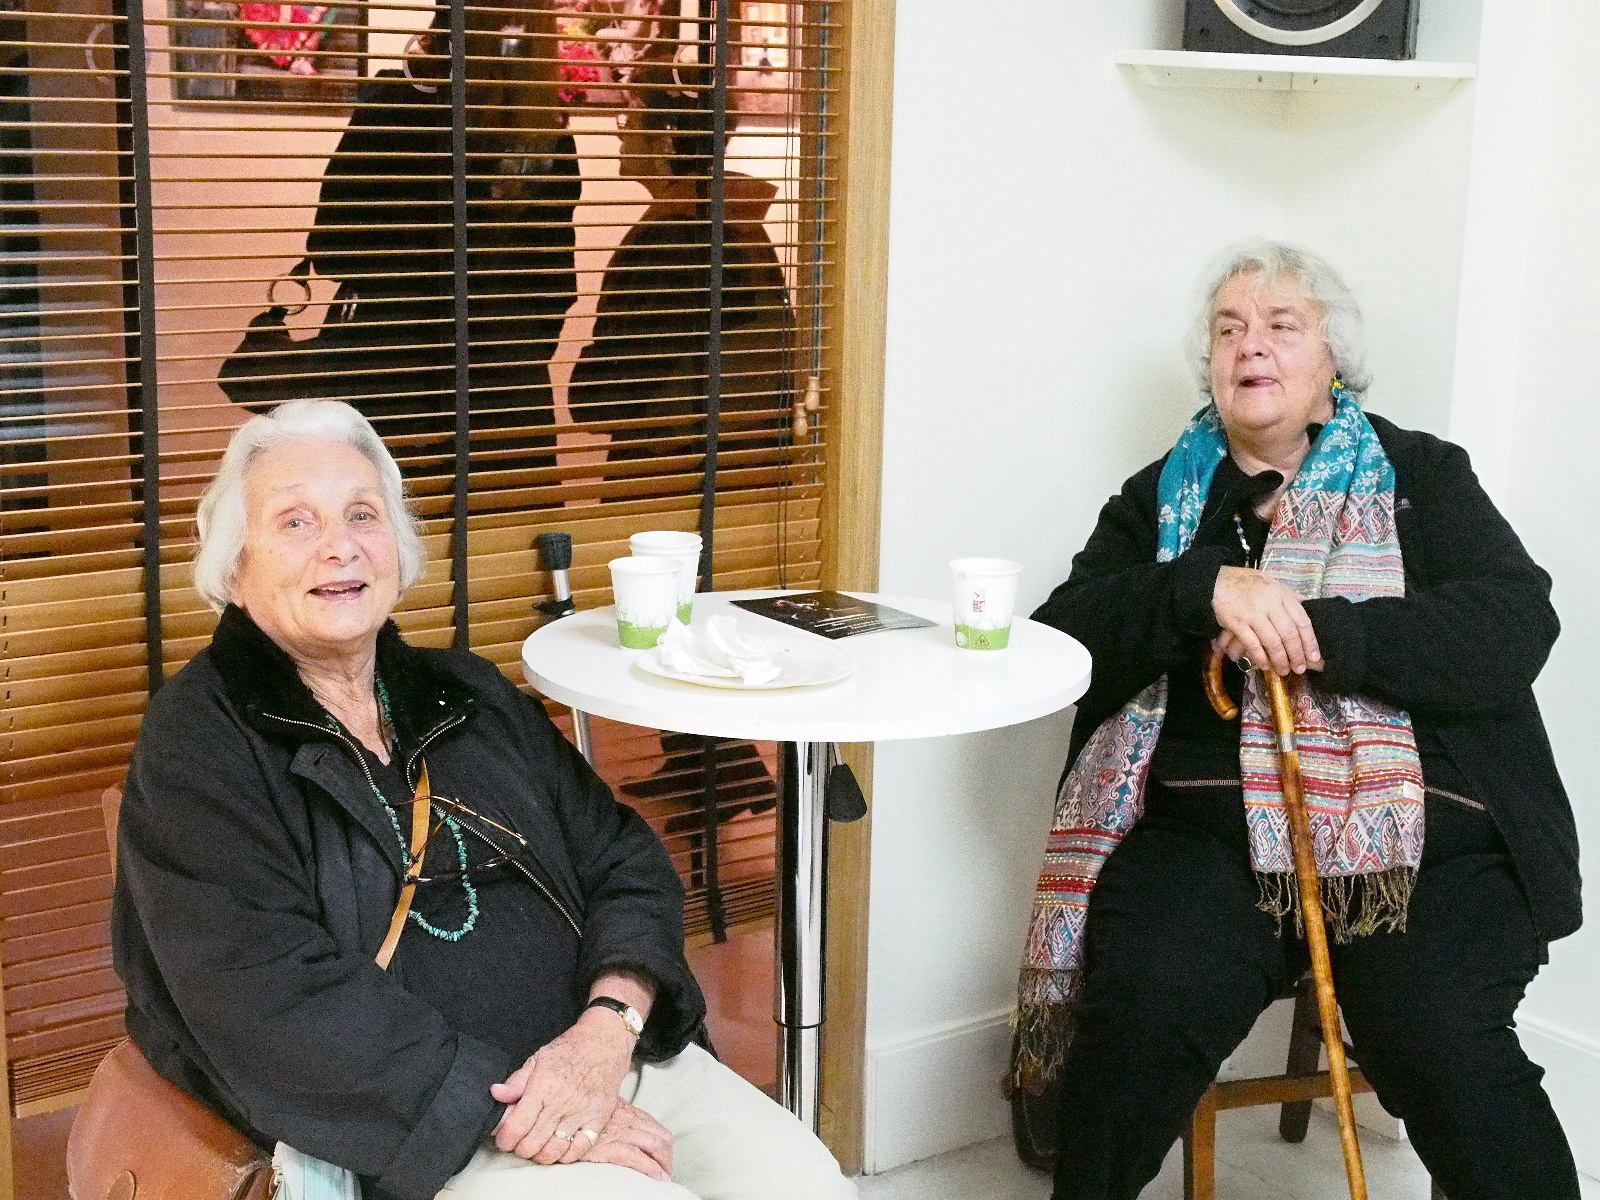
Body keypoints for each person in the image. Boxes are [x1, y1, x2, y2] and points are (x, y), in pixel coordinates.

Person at [110, 399, 856, 1200]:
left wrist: (608, 1029)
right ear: (234, 567)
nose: (339, 546)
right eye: (295, 522)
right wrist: (503, 1106)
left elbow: (624, 862)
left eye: (362, 514)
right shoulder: (200, 744)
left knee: (809, 1186)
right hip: (420, 1126)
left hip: (603, 1056)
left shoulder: (465, 693)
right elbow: (268, 999)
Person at [1015, 240, 1580, 1200]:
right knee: (1140, 1013)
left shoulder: (1421, 476)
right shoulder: (1161, 499)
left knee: (1439, 1034)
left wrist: (1320, 631)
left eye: (1282, 325)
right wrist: (1199, 589)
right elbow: (1062, 642)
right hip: (1212, 836)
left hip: (1421, 839)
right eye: (1229, 329)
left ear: (1332, 361)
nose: (1252, 345)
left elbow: (1515, 624)